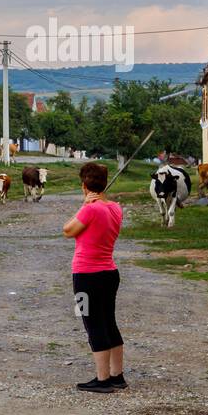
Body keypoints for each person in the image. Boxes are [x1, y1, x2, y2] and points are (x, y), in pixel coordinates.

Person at [63, 162, 126, 393]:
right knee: (109, 321)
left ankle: (102, 380)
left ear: (84, 185)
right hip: (110, 273)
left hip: (86, 275)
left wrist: (83, 206)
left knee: (92, 323)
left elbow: (68, 230)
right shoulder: (115, 208)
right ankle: (117, 375)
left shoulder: (90, 209)